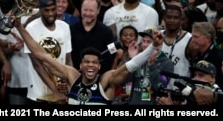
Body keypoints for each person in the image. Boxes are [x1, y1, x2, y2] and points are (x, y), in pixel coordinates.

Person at [13, 16, 164, 105]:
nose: (90, 65)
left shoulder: (106, 81)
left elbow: (130, 66)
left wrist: (152, 47)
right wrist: (20, 27)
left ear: (99, 66)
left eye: (94, 62)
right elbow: (42, 55)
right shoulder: (72, 76)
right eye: (87, 62)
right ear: (80, 65)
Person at [24, 0, 73, 104]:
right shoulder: (31, 28)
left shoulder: (65, 27)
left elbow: (68, 60)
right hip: (38, 93)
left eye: (53, 9)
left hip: (62, 90)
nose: (51, 13)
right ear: (40, 9)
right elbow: (37, 65)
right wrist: (55, 90)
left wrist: (69, 84)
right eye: (46, 10)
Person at [70, 0, 115, 75]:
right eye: (85, 10)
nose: (87, 13)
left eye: (91, 11)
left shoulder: (107, 32)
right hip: (75, 76)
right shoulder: (71, 30)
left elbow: (111, 55)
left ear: (98, 10)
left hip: (99, 77)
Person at [127, 28, 174, 105]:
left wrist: (151, 66)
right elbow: (123, 81)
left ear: (159, 44)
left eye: (149, 42)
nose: (144, 45)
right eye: (143, 41)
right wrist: (132, 60)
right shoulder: (137, 59)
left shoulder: (166, 63)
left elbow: (160, 87)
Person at [157, 60, 222, 105]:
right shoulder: (190, 90)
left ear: (212, 78)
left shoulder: (217, 92)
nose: (196, 78)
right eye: (195, 75)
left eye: (201, 75)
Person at [161, 5, 195, 90]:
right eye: (169, 17)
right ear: (164, 18)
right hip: (157, 91)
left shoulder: (189, 39)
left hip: (179, 94)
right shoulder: (157, 37)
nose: (172, 20)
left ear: (181, 20)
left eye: (176, 18)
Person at [191, 22, 223, 90]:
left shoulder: (218, 57)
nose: (192, 40)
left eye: (196, 37)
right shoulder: (198, 55)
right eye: (192, 36)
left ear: (208, 38)